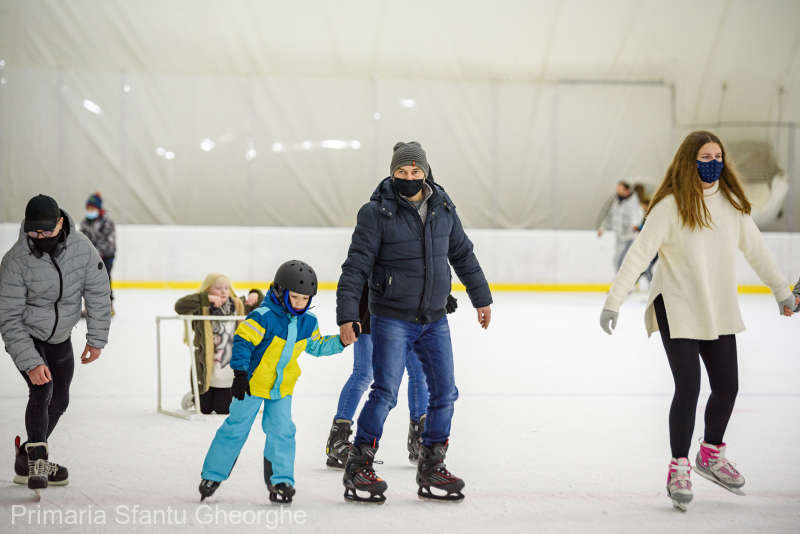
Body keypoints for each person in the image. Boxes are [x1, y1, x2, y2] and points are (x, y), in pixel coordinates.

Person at [598, 131, 798, 511]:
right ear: (690, 161)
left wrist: (782, 291)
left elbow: (757, 251)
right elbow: (639, 254)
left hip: (716, 307)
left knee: (728, 386)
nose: (713, 162)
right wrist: (614, 300)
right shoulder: (670, 207)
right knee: (688, 387)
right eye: (705, 156)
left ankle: (710, 454)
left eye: (718, 155)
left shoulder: (733, 206)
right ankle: (679, 466)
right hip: (675, 305)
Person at [336, 141, 492, 503]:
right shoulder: (376, 213)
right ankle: (359, 464)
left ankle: (431, 464)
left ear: (425, 172)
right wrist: (347, 314)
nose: (409, 177)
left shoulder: (442, 207)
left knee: (445, 393)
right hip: (391, 317)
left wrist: (480, 297)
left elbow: (462, 254)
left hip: (434, 318)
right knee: (385, 392)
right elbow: (355, 265)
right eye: (401, 172)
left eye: (414, 171)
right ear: (392, 174)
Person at [198, 260, 345, 504]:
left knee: (283, 432)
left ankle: (281, 480)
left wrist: (341, 341)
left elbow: (317, 346)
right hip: (252, 385)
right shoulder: (263, 316)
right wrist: (240, 374)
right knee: (235, 429)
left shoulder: (308, 323)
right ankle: (212, 475)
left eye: (305, 299)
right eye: (295, 297)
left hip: (281, 388)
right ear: (280, 291)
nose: (300, 304)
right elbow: (243, 342)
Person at [0, 194, 111, 493]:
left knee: (60, 399)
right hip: (29, 334)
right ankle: (37, 459)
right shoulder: (14, 261)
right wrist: (31, 361)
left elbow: (99, 291)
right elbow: (8, 317)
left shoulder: (82, 249)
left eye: (47, 231)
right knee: (42, 388)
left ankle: (27, 457)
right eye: (34, 232)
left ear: (60, 223)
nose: (40, 237)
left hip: (61, 336)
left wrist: (96, 338)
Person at [325, 285, 458, 468]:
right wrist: (349, 314)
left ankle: (419, 435)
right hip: (373, 306)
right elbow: (357, 269)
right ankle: (337, 438)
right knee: (364, 372)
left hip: (410, 310)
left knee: (418, 372)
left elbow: (422, 264)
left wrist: (439, 294)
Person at [174, 275, 262, 415]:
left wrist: (255, 294)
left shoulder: (238, 305)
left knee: (223, 409)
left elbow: (260, 306)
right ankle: (195, 396)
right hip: (208, 368)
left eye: (226, 288)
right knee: (204, 409)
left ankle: (222, 395)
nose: (223, 291)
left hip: (228, 368)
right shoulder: (201, 307)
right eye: (218, 288)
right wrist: (205, 299)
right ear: (208, 289)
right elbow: (179, 306)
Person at [79, 193, 116, 313]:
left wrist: (96, 252)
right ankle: (89, 307)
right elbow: (81, 239)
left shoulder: (106, 222)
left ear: (98, 208)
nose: (90, 210)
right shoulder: (85, 222)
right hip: (89, 258)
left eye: (92, 208)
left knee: (104, 281)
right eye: (88, 208)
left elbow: (109, 241)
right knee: (88, 283)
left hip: (105, 257)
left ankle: (108, 306)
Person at [597, 181, 643, 272]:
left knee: (622, 261)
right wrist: (602, 228)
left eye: (620, 189)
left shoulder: (634, 202)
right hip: (620, 236)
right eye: (617, 189)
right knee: (617, 261)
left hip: (630, 237)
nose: (617, 191)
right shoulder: (617, 201)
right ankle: (623, 283)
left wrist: (635, 225)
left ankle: (627, 283)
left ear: (626, 190)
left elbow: (637, 215)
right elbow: (611, 217)